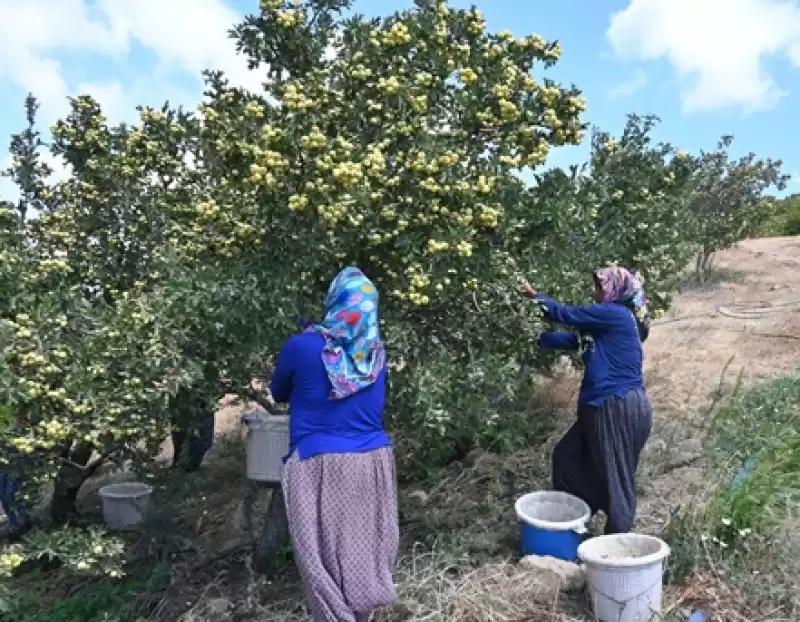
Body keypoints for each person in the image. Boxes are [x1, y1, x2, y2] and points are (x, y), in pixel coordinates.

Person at [270, 266, 398, 622]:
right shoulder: (376, 355)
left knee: (319, 562)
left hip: (318, 464)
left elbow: (278, 390)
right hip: (373, 463)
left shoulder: (302, 346)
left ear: (334, 302)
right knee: (363, 555)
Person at [523, 267, 653, 535]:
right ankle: (577, 522)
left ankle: (614, 552)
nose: (595, 293)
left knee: (616, 479)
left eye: (600, 288)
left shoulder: (615, 314)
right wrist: (529, 339)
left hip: (615, 404)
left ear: (615, 290)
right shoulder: (605, 327)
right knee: (567, 458)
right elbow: (572, 339)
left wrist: (533, 297)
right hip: (602, 406)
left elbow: (565, 314)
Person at [1, 408, 32, 541]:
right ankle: (13, 523)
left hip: (15, 451)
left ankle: (21, 526)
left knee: (12, 493)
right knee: (4, 491)